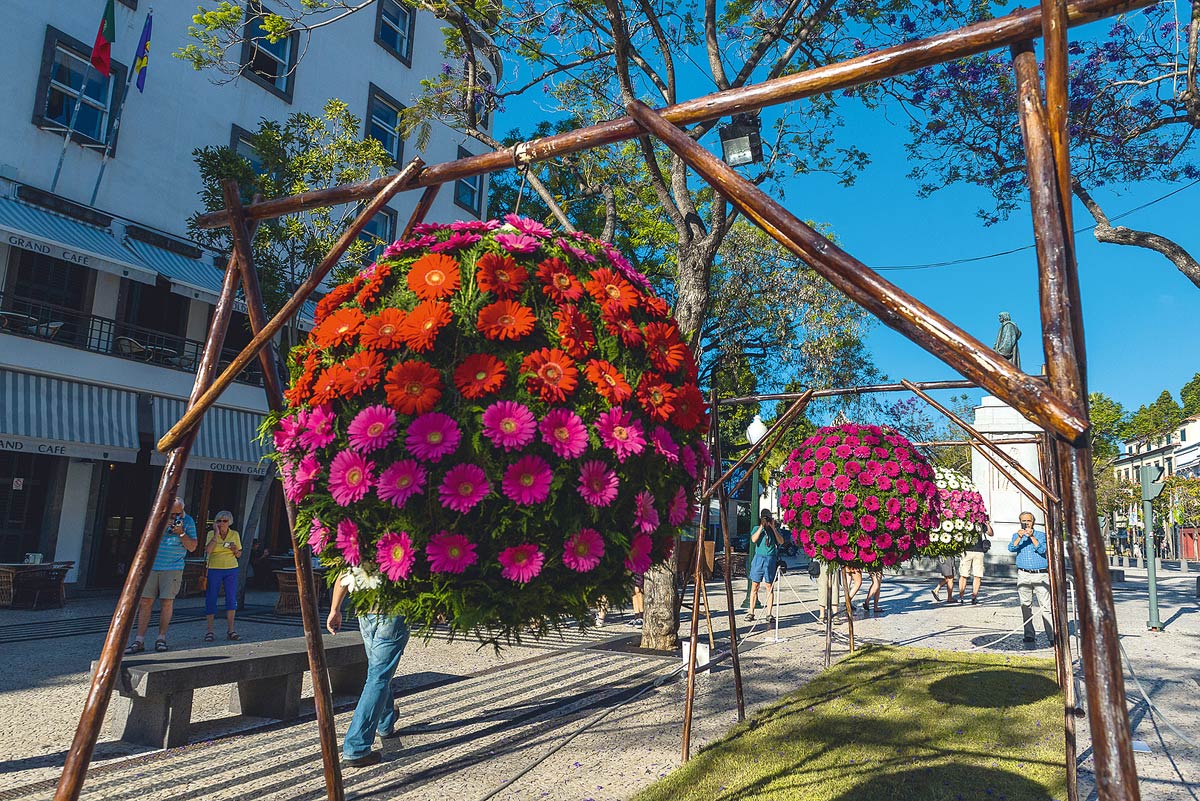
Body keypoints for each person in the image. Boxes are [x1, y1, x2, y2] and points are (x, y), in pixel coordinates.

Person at [327, 579, 409, 768]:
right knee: (378, 676)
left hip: (365, 611)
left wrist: (335, 609)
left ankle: (385, 721)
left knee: (377, 672)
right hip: (394, 611)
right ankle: (357, 747)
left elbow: (344, 572)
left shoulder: (360, 548)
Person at [125, 497, 197, 654]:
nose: (175, 517)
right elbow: (144, 541)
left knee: (167, 602)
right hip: (152, 566)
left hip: (173, 567)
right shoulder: (157, 518)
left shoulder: (188, 521)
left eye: (178, 513)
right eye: (172, 514)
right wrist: (161, 526)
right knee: (145, 602)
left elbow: (192, 547)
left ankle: (161, 638)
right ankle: (139, 640)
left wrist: (181, 533)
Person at [1008, 511, 1053, 643]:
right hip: (1023, 574)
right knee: (1025, 605)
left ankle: (1051, 636)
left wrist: (1032, 537)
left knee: (1046, 606)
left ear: (1033, 522)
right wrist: (1019, 537)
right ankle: (1029, 634)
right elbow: (1011, 548)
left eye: (1029, 521)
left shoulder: (1041, 535)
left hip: (1040, 574)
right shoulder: (1016, 535)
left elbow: (1043, 550)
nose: (1026, 523)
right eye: (1024, 521)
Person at [204, 511, 242, 641]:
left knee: (231, 598)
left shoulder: (234, 534)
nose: (221, 523)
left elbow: (239, 554)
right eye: (219, 521)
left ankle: (231, 630)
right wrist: (216, 534)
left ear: (229, 522)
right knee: (211, 598)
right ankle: (209, 631)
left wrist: (235, 550)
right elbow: (208, 550)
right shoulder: (211, 534)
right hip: (214, 568)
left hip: (231, 568)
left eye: (224, 521)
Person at [746, 509, 785, 624]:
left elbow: (781, 541)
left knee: (769, 586)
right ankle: (751, 612)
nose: (767, 520)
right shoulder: (756, 529)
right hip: (759, 558)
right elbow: (753, 539)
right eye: (765, 518)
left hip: (770, 558)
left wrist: (773, 527)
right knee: (755, 585)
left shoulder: (774, 530)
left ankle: (769, 613)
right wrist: (761, 527)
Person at [958, 522, 991, 605]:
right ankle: (961, 597)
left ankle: (974, 597)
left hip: (979, 551)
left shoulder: (981, 522)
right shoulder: (964, 521)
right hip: (966, 551)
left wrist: (987, 524)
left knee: (978, 575)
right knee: (964, 574)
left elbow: (990, 533)